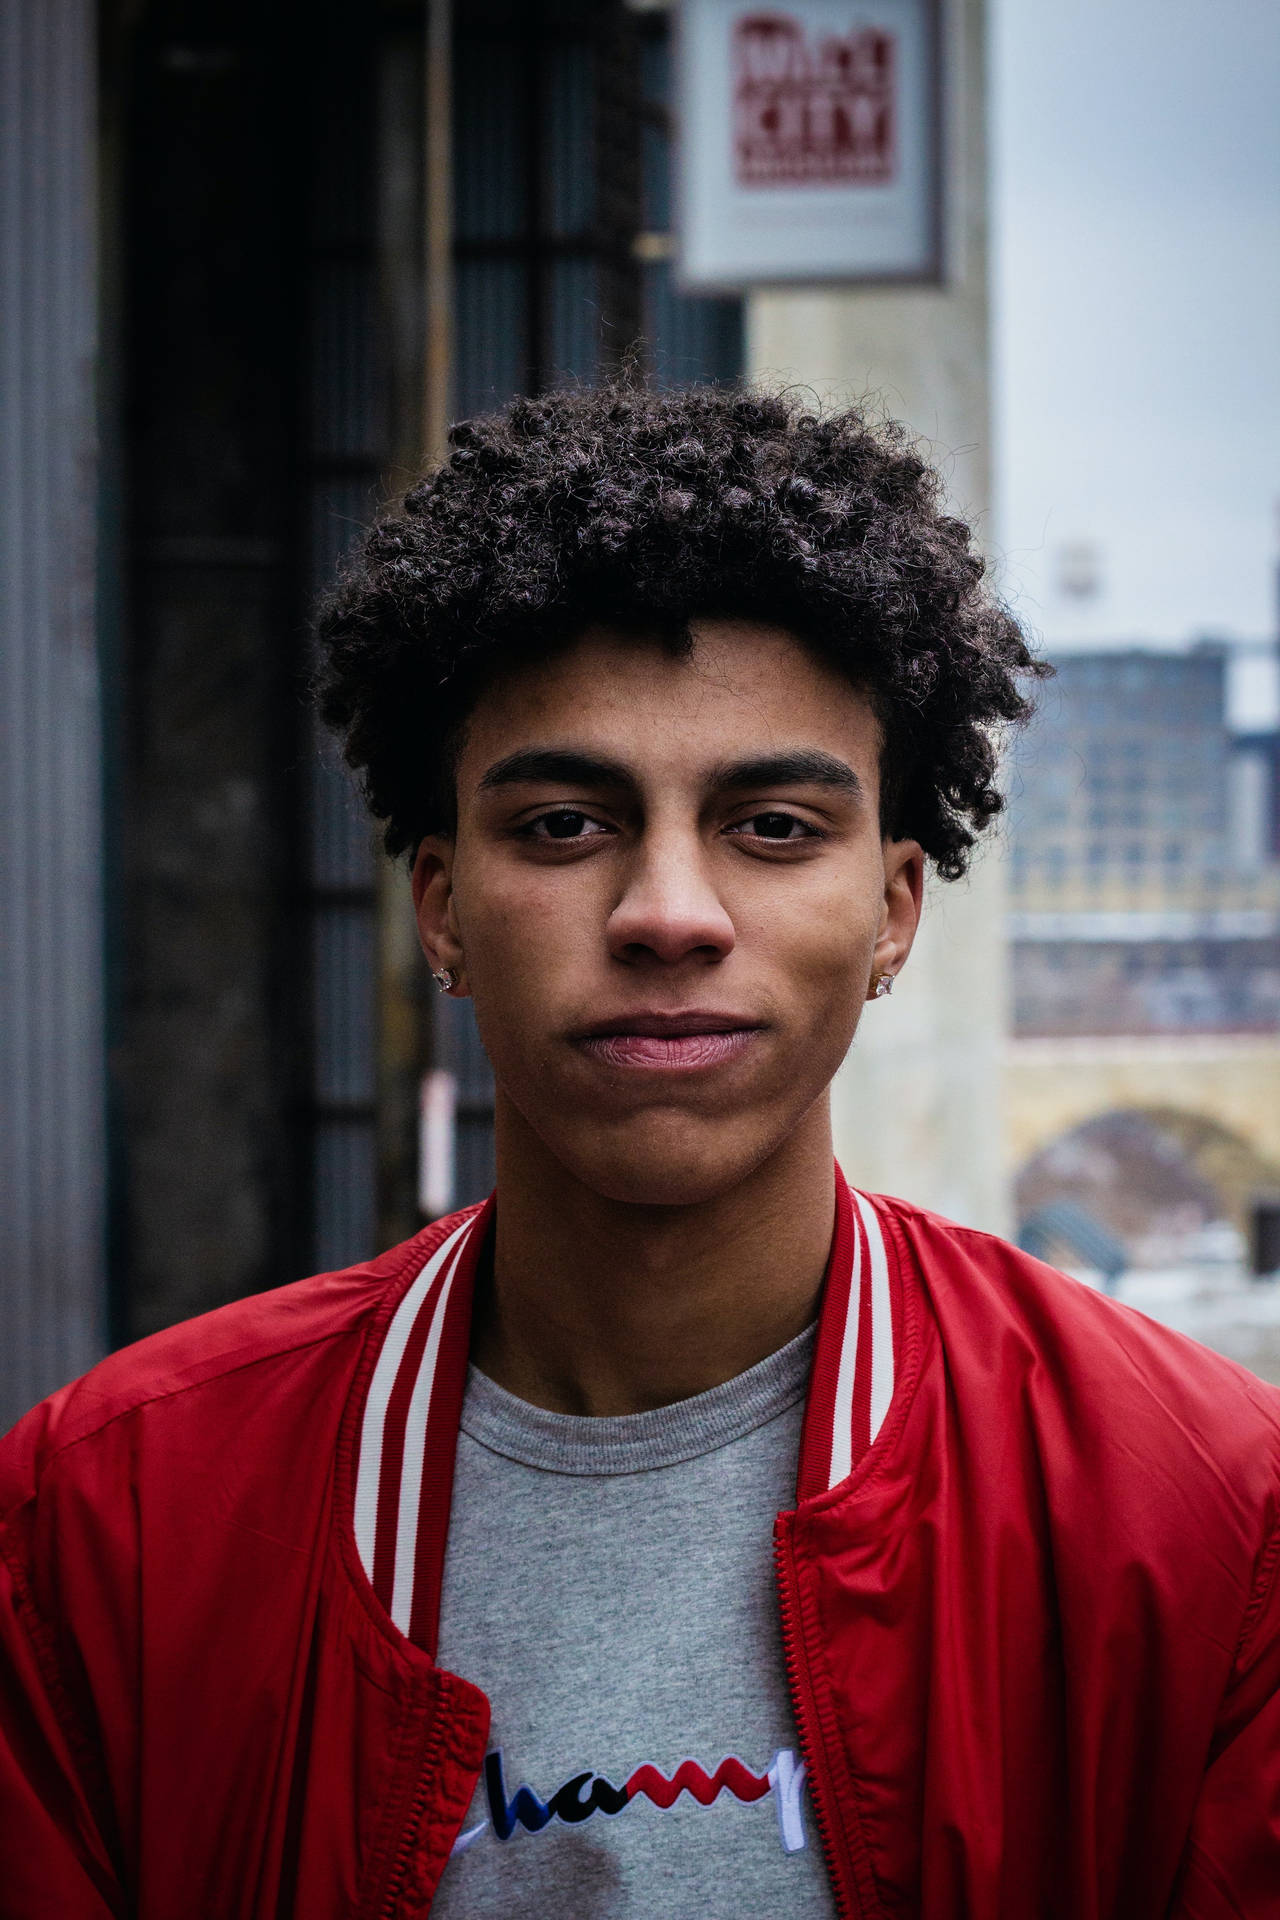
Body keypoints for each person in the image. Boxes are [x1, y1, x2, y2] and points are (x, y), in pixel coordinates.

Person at [2, 387, 1277, 1920]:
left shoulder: (1200, 1518)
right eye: (560, 825)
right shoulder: (108, 1522)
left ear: (893, 912)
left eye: (774, 827)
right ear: (442, 907)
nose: (668, 910)